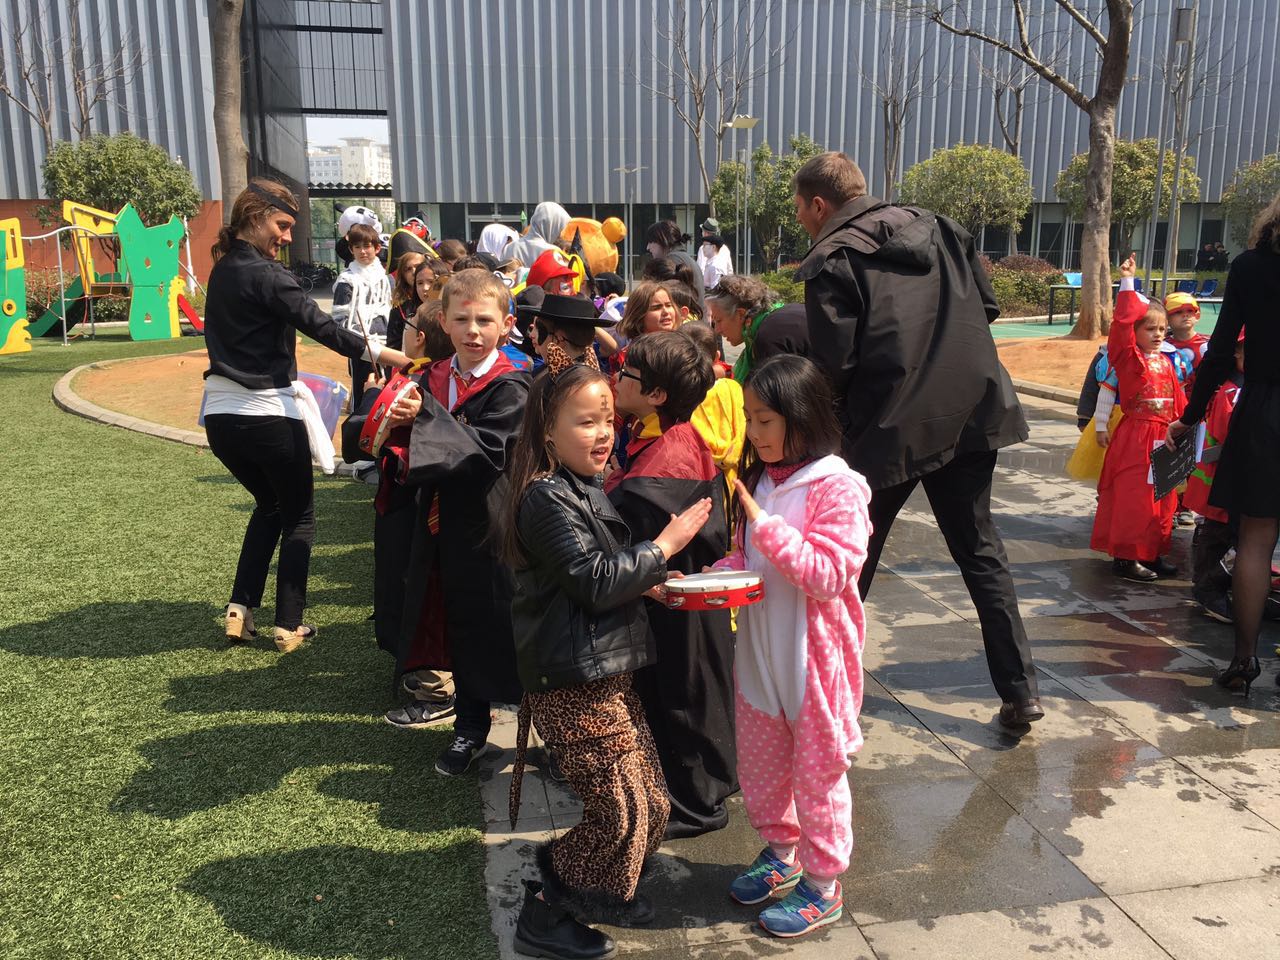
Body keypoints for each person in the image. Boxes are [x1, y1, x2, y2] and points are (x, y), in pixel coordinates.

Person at [791, 151, 1042, 728]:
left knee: (850, 559)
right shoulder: (942, 229)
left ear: (819, 204)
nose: (802, 219)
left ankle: (825, 690)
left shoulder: (832, 258)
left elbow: (834, 367)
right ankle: (1021, 691)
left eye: (801, 209)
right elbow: (986, 306)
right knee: (981, 553)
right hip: (971, 411)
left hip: (889, 427)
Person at [504, 362, 713, 958]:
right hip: (572, 682)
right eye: (586, 422)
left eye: (607, 420)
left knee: (650, 801)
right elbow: (593, 581)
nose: (603, 434)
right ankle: (547, 912)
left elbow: (590, 579)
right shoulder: (545, 496)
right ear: (547, 430)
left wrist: (648, 582)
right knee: (620, 810)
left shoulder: (581, 484)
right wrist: (663, 547)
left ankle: (600, 891)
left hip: (604, 674)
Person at [203, 179, 410, 651]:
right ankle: (289, 624)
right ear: (254, 216)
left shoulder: (222, 270)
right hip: (268, 416)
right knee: (299, 516)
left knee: (270, 505)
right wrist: (389, 355)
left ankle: (240, 607)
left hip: (219, 419)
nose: (288, 236)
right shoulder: (269, 275)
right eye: (282, 224)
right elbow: (322, 328)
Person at [710, 354, 872, 939]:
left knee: (818, 773)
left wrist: (766, 526)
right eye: (750, 419)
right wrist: (710, 578)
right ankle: (783, 853)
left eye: (765, 420)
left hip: (814, 661)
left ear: (801, 417)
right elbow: (748, 558)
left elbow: (828, 575)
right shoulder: (761, 481)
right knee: (763, 764)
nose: (754, 433)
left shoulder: (838, 487)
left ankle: (824, 885)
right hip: (759, 651)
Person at [393, 269, 531, 764]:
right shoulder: (429, 379)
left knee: (504, 623)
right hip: (438, 522)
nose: (473, 331)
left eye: (484, 320)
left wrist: (423, 419)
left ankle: (545, 727)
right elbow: (402, 441)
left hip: (492, 522)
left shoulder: (514, 386)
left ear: (506, 325)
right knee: (457, 622)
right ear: (444, 322)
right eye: (462, 320)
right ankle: (469, 727)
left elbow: (489, 449)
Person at [607, 332, 737, 838]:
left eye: (627, 374)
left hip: (678, 598)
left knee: (682, 696)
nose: (618, 379)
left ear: (657, 394)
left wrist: (610, 489)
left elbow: (633, 523)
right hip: (675, 595)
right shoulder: (663, 433)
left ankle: (697, 806)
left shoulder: (668, 459)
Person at [1167, 194, 1280, 695]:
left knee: (1255, 540)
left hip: (1264, 409)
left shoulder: (1251, 267)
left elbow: (1218, 351)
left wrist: (1189, 417)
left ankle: (1243, 659)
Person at [1091, 256, 1186, 582]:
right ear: (1134, 331)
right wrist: (1128, 283)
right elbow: (1120, 327)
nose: (1158, 334)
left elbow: (1180, 403)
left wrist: (1187, 430)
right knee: (1135, 497)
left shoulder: (1167, 362)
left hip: (1165, 438)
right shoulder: (1130, 359)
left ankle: (1151, 552)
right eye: (1150, 328)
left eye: (1162, 329)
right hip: (1137, 439)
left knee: (1163, 499)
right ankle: (1126, 556)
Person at [1184, 331, 1245, 624]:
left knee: (1238, 535)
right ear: (1237, 354)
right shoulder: (1231, 392)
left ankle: (1234, 585)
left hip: (1239, 479)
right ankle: (1208, 588)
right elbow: (1225, 434)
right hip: (1224, 479)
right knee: (1218, 534)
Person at [332, 222, 393, 407]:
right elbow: (339, 319)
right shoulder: (346, 280)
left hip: (388, 346)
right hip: (361, 347)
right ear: (351, 250)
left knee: (387, 395)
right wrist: (358, 341)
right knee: (362, 395)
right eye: (357, 247)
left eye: (367, 246)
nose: (363, 251)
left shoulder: (387, 279)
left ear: (377, 248)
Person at [705, 275, 810, 380]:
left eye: (719, 320)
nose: (717, 330)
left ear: (741, 314)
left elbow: (777, 387)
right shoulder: (772, 320)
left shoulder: (768, 337)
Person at [645, 220, 703, 303]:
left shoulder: (672, 260)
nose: (648, 247)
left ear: (663, 240)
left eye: (651, 242)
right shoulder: (683, 257)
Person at [387, 250, 425, 352]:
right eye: (408, 269)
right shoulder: (399, 310)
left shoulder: (442, 302)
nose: (414, 272)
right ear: (403, 276)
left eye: (418, 266)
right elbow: (393, 349)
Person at [512, 201, 571, 267]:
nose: (560, 234)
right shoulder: (553, 253)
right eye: (559, 228)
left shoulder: (510, 247)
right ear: (552, 226)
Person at [697, 216, 734, 291]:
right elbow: (730, 271)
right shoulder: (725, 248)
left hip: (708, 290)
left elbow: (700, 270)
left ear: (705, 233)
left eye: (703, 231)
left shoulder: (703, 248)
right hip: (724, 289)